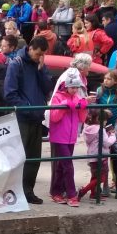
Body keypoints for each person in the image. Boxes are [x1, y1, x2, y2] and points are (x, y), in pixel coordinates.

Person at [4, 35, 52, 204]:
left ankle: (28, 191)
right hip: (23, 118)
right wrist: (28, 108)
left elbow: (47, 88)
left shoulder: (37, 65)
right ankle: (13, 190)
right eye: (37, 54)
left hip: (36, 118)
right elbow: (10, 93)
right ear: (30, 48)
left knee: (34, 157)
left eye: (42, 55)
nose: (39, 57)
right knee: (19, 157)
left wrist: (42, 69)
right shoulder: (16, 64)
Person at [47, 71, 88, 206]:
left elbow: (82, 118)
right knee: (68, 166)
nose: (75, 90)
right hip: (59, 136)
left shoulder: (76, 97)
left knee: (61, 165)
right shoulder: (57, 97)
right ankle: (71, 195)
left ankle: (55, 192)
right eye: (73, 87)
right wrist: (64, 106)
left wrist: (82, 108)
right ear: (66, 86)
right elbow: (54, 117)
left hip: (71, 137)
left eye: (77, 88)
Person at [77, 109, 114, 200]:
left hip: (92, 156)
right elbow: (107, 143)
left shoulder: (88, 129)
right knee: (101, 177)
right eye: (105, 120)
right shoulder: (101, 130)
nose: (106, 122)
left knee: (94, 176)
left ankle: (94, 194)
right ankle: (83, 190)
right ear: (99, 119)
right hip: (100, 157)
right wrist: (112, 136)